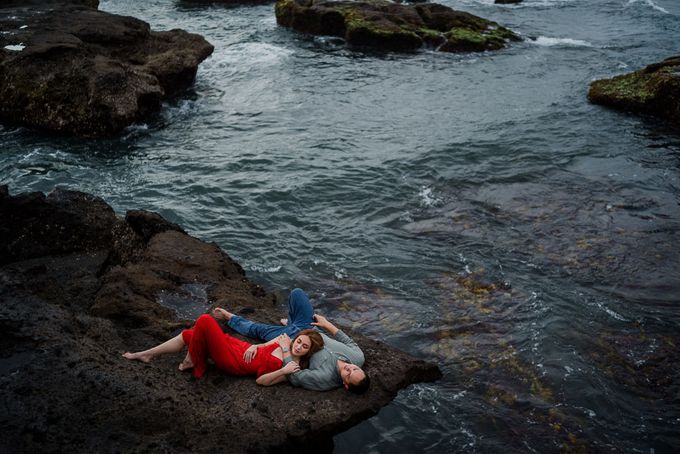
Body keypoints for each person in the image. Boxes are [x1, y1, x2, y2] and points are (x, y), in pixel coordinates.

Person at [213, 288, 370, 394]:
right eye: (355, 369)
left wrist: (286, 348)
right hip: (310, 327)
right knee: (297, 293)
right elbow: (347, 340)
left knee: (258, 330)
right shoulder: (358, 358)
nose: (350, 369)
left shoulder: (324, 379)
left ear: (346, 385)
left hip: (292, 341)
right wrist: (326, 324)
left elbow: (295, 377)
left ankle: (231, 318)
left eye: (348, 374)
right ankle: (291, 323)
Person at [122, 313, 324, 386]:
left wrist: (283, 371)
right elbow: (262, 345)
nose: (298, 346)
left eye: (304, 346)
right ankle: (146, 354)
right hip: (240, 347)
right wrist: (255, 346)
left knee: (204, 320)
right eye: (299, 341)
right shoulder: (286, 340)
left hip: (234, 362)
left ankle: (192, 361)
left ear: (308, 352)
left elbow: (261, 381)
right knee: (188, 335)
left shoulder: (293, 367)